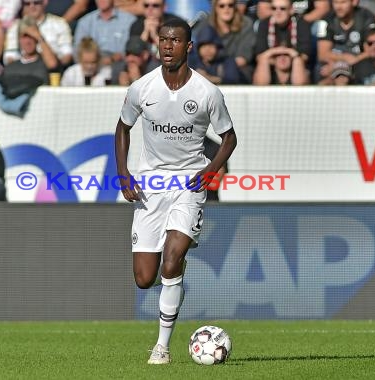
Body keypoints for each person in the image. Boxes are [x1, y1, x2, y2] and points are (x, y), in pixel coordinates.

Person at [114, 18, 237, 364]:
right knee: (144, 278)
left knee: (171, 261)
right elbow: (122, 128)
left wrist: (210, 170)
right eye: (163, 40)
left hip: (188, 184)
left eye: (176, 40)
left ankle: (161, 347)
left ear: (188, 47)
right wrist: (124, 174)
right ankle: (174, 278)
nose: (168, 46)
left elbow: (229, 138)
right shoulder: (142, 88)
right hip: (151, 187)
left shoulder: (207, 93)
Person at [316, 0, 375, 84]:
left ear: (354, 2)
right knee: (323, 72)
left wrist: (352, 61)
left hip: (359, 61)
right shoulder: (326, 19)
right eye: (335, 3)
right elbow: (322, 54)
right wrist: (342, 61)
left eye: (343, 2)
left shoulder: (367, 17)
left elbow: (371, 51)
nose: (338, 7)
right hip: (333, 62)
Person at [4, 0, 73, 69]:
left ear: (45, 2)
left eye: (36, 3)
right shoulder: (15, 26)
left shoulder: (59, 23)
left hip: (52, 71)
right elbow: (9, 58)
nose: (32, 7)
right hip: (23, 71)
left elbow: (66, 57)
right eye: (27, 4)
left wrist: (39, 37)